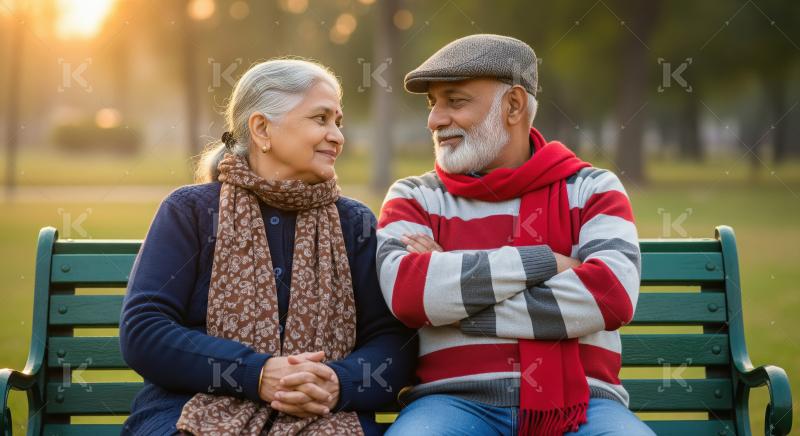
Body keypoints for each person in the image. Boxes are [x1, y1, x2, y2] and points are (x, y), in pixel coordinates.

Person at [120, 58, 417, 435]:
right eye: (321, 119)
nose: (338, 136)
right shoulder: (191, 212)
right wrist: (255, 374)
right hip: (189, 408)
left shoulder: (353, 223)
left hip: (325, 416)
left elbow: (394, 342)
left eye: (338, 122)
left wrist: (337, 383)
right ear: (262, 129)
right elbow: (144, 329)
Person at [377, 34, 654, 435]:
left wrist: (457, 306)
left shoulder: (593, 188)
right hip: (451, 403)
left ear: (514, 105)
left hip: (584, 406)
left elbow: (611, 296)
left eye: (455, 101)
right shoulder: (415, 196)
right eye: (432, 103)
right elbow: (410, 294)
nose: (434, 120)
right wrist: (546, 262)